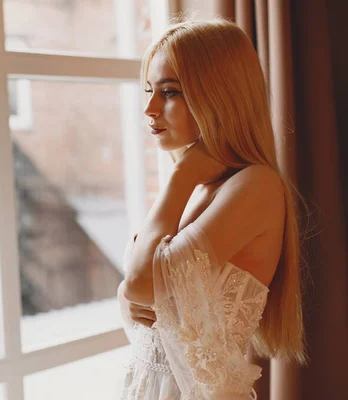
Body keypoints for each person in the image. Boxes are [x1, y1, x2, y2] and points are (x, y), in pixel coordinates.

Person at [117, 19, 306, 399]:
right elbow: (148, 318)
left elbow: (142, 285)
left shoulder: (255, 186)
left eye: (169, 92)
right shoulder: (199, 185)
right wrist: (126, 297)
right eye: (149, 90)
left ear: (220, 95)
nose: (150, 108)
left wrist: (182, 173)